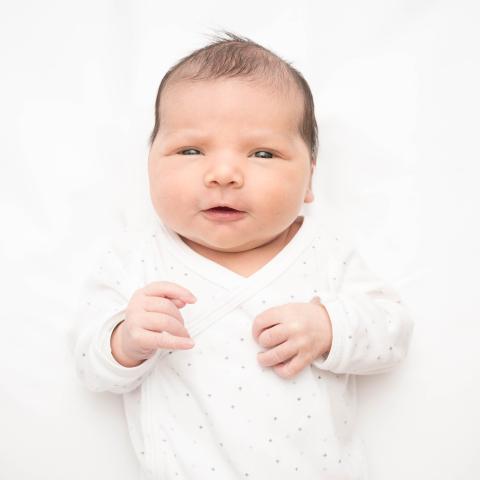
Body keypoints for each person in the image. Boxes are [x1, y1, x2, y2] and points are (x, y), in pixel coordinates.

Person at [72, 31, 414, 479]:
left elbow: (392, 330)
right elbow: (90, 367)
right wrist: (124, 340)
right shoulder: (137, 259)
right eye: (191, 150)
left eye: (263, 153)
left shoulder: (325, 253)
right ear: (150, 163)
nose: (224, 174)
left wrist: (329, 326)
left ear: (309, 179)